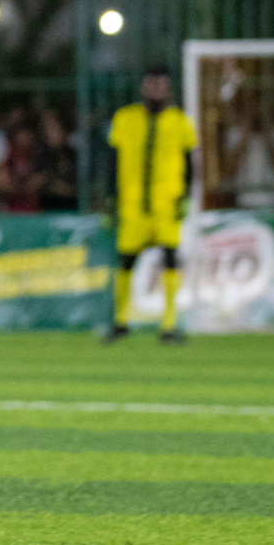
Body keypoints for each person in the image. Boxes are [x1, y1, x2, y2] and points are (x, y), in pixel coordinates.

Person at [105, 65, 197, 346]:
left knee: (170, 258)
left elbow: (190, 164)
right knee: (126, 260)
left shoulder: (179, 120)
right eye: (152, 84)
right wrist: (111, 198)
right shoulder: (125, 118)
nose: (157, 89)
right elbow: (111, 160)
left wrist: (187, 197)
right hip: (132, 203)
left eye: (162, 84)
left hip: (167, 203)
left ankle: (168, 325)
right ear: (144, 86)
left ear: (168, 88)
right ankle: (120, 322)